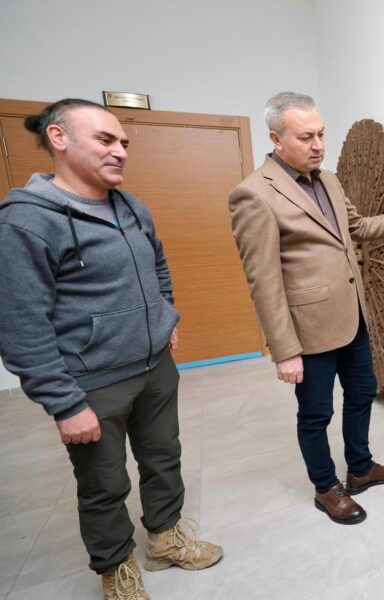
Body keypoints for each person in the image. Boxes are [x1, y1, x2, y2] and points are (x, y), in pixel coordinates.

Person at [0, 99, 222, 600]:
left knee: (164, 458)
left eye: (123, 142)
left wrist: (166, 314)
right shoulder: (25, 222)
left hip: (155, 368)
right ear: (59, 138)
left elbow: (158, 263)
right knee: (103, 483)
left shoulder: (131, 206)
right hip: (92, 381)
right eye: (105, 139)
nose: (120, 151)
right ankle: (116, 567)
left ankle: (164, 538)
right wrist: (65, 403)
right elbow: (20, 324)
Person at [229, 92, 384, 525]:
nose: (318, 144)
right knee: (316, 414)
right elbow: (263, 281)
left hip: (351, 315)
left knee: (362, 392)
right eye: (306, 137)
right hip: (308, 329)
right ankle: (326, 487)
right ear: (276, 139)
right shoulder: (253, 195)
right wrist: (284, 350)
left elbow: (357, 228)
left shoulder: (330, 180)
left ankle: (359, 468)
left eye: (321, 134)